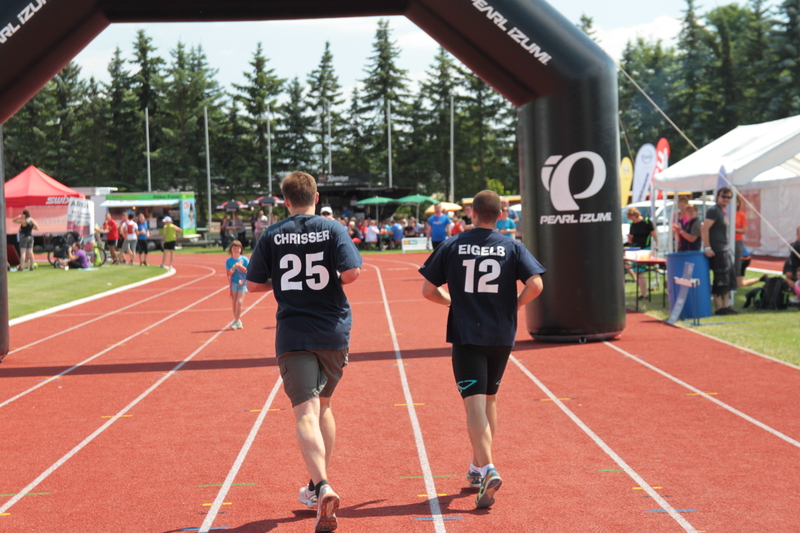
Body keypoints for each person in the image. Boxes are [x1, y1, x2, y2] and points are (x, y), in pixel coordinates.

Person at [246, 171, 362, 533]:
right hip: (333, 330)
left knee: (306, 413)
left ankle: (322, 484)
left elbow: (252, 285)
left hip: (295, 333)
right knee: (324, 406)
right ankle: (315, 486)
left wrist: (284, 282)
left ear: (285, 200)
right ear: (317, 196)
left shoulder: (273, 233)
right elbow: (352, 273)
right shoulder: (333, 228)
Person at [419, 189, 545, 510]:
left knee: (474, 404)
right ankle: (478, 465)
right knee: (490, 399)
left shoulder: (452, 244)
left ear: (472, 213)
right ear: (500, 215)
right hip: (501, 335)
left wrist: (451, 302)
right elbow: (536, 285)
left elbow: (428, 290)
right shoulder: (512, 246)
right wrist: (515, 305)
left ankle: (488, 468)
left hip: (467, 334)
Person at [701, 187, 738, 315]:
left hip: (724, 249)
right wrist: (707, 247)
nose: (726, 199)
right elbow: (704, 229)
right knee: (720, 279)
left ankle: (726, 306)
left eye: (728, 197)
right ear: (718, 196)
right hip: (717, 250)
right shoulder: (714, 211)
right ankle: (719, 308)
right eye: (723, 196)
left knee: (728, 278)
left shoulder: (722, 211)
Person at [625, 206, 657, 298]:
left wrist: (656, 247)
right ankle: (643, 293)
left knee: (640, 270)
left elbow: (654, 235)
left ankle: (644, 294)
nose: (632, 220)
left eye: (632, 218)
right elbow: (630, 241)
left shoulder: (646, 222)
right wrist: (630, 238)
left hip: (645, 249)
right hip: (635, 249)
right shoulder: (632, 224)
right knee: (637, 270)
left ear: (635, 215)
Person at [226, 240, 248, 329]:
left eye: (238, 248)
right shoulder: (229, 261)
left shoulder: (244, 259)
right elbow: (228, 273)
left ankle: (236, 321)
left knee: (239, 302)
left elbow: (248, 271)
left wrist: (241, 267)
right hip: (234, 283)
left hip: (243, 283)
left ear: (241, 249)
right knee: (234, 302)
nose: (236, 250)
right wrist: (234, 268)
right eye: (234, 248)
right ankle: (237, 320)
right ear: (231, 249)